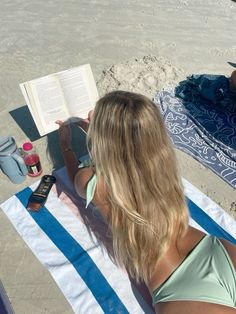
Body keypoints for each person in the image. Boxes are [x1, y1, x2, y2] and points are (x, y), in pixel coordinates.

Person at [56, 90, 236, 313]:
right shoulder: (161, 166)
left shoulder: (95, 183)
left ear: (101, 139)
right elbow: (131, 151)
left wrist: (66, 146)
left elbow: (77, 178)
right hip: (217, 252)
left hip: (177, 289)